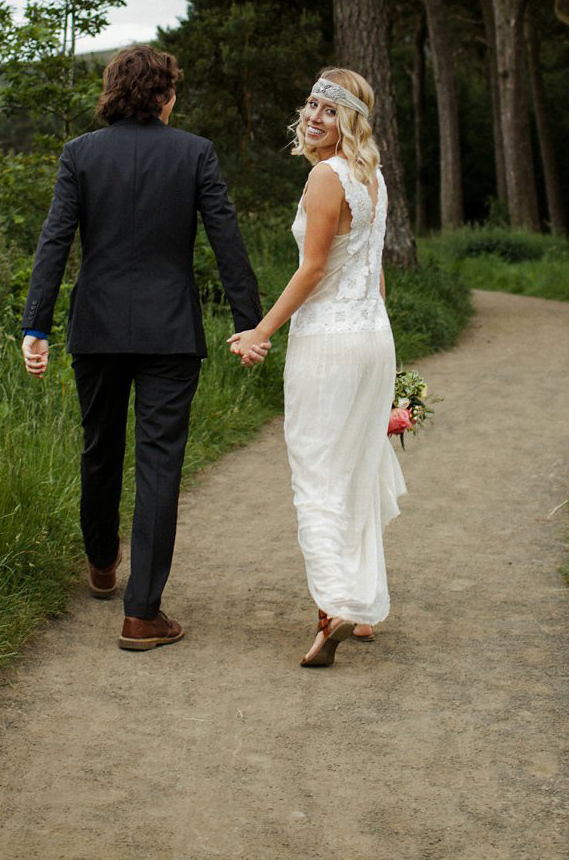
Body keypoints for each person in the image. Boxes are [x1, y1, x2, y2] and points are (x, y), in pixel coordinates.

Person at [21, 44, 264, 651]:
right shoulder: (194, 152)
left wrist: (37, 326)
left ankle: (102, 563)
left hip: (97, 329)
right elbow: (226, 238)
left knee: (100, 445)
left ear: (113, 91)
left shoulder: (81, 153)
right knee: (159, 464)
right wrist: (249, 322)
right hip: (170, 333)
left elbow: (55, 242)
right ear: (165, 95)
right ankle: (142, 612)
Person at [229, 67, 405, 668]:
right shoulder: (372, 177)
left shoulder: (325, 178)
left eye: (329, 110)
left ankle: (334, 606)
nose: (313, 116)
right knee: (357, 466)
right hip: (372, 337)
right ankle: (363, 602)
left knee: (321, 473)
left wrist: (260, 330)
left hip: (329, 343)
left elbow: (311, 271)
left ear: (350, 120)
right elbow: (374, 273)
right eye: (310, 103)